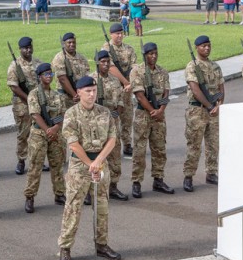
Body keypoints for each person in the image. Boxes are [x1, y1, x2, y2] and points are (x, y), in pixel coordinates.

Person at [58, 75, 121, 260]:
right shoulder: (72, 114)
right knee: (73, 208)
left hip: (100, 162)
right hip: (79, 165)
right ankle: (65, 248)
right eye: (88, 91)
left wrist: (99, 161)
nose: (92, 94)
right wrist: (89, 163)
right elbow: (73, 143)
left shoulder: (104, 112)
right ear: (78, 93)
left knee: (102, 206)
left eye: (94, 90)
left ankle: (101, 245)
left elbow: (112, 138)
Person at [130, 42, 174, 198]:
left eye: (155, 53)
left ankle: (158, 179)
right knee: (139, 151)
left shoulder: (162, 72)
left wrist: (161, 110)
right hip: (143, 115)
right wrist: (152, 110)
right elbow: (139, 95)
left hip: (159, 116)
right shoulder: (137, 71)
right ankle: (136, 182)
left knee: (160, 149)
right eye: (150, 54)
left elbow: (166, 92)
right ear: (144, 55)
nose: (153, 56)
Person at [23, 63, 66, 213]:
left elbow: (61, 114)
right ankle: (30, 197)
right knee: (35, 167)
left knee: (58, 166)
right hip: (39, 135)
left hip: (55, 134)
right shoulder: (34, 94)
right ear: (39, 77)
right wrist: (48, 129)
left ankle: (59, 194)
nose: (49, 77)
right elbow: (35, 114)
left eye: (50, 74)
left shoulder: (57, 95)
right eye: (46, 74)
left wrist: (55, 128)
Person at [183, 36, 224, 193]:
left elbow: (221, 87)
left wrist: (219, 105)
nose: (207, 48)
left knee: (213, 144)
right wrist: (208, 106)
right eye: (203, 46)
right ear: (197, 48)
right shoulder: (192, 66)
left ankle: (211, 172)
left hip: (214, 110)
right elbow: (195, 88)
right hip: (197, 111)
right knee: (194, 144)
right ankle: (188, 176)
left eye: (208, 45)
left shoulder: (215, 66)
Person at [92, 50, 128, 201]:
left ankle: (113, 187)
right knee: (95, 157)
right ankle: (92, 190)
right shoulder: (91, 80)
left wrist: (117, 112)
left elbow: (120, 100)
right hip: (96, 125)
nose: (106, 64)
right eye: (103, 62)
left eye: (108, 62)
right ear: (97, 63)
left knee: (114, 156)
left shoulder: (114, 80)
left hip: (112, 124)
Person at [7, 36, 41, 175]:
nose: (28, 50)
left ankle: (36, 160)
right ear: (20, 50)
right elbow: (14, 87)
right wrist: (29, 99)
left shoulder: (38, 62)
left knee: (38, 133)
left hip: (38, 103)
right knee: (23, 134)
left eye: (29, 47)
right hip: (22, 104)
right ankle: (21, 160)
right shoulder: (14, 66)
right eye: (25, 48)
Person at [52, 32, 90, 109]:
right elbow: (62, 79)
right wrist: (75, 95)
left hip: (81, 94)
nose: (72, 44)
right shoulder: (59, 58)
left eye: (73, 42)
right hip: (66, 97)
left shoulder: (82, 58)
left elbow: (87, 76)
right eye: (69, 42)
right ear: (64, 44)